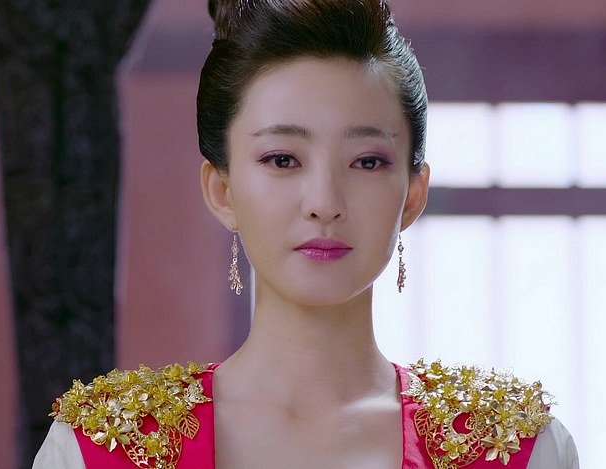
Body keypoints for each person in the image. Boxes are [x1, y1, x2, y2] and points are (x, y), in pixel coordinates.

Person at [32, 0, 579, 467]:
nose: (324, 203)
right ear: (222, 190)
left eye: (366, 162)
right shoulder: (99, 449)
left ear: (413, 194)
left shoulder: (517, 448)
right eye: (282, 159)